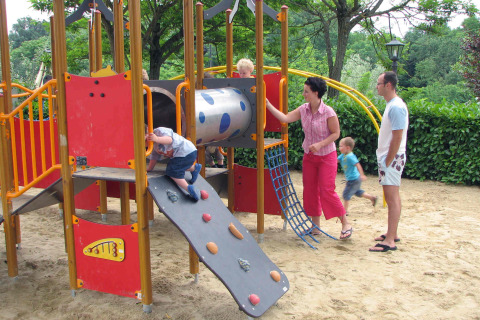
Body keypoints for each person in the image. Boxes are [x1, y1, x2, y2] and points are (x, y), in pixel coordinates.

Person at [266, 77, 352, 240]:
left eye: (306, 91)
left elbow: (336, 133)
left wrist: (320, 144)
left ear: (316, 93)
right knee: (310, 191)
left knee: (326, 190)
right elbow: (285, 119)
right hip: (310, 157)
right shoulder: (303, 109)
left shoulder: (328, 112)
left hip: (327, 156)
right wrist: (268, 104)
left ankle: (345, 224)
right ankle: (315, 227)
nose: (304, 94)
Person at [369, 71, 409, 252]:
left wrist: (388, 159)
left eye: (379, 83)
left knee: (392, 198)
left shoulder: (396, 107)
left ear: (388, 85)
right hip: (390, 157)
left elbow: (398, 136)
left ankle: (390, 241)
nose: (376, 86)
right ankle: (392, 233)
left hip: (392, 158)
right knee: (393, 197)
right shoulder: (392, 105)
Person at [146, 127, 202, 201]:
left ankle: (189, 188)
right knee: (178, 166)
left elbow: (170, 140)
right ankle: (194, 168)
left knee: (173, 171)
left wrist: (157, 139)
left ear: (148, 131)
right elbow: (154, 158)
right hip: (183, 155)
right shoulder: (153, 147)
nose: (145, 143)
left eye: (144, 138)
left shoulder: (159, 131)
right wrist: (149, 169)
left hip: (185, 151)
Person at [338, 137, 378, 215]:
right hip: (353, 179)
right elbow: (335, 160)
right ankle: (372, 198)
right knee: (357, 192)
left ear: (347, 147)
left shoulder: (350, 156)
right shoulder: (342, 155)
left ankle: (344, 211)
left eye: (341, 146)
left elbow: (358, 165)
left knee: (346, 194)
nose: (339, 148)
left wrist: (362, 175)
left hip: (354, 179)